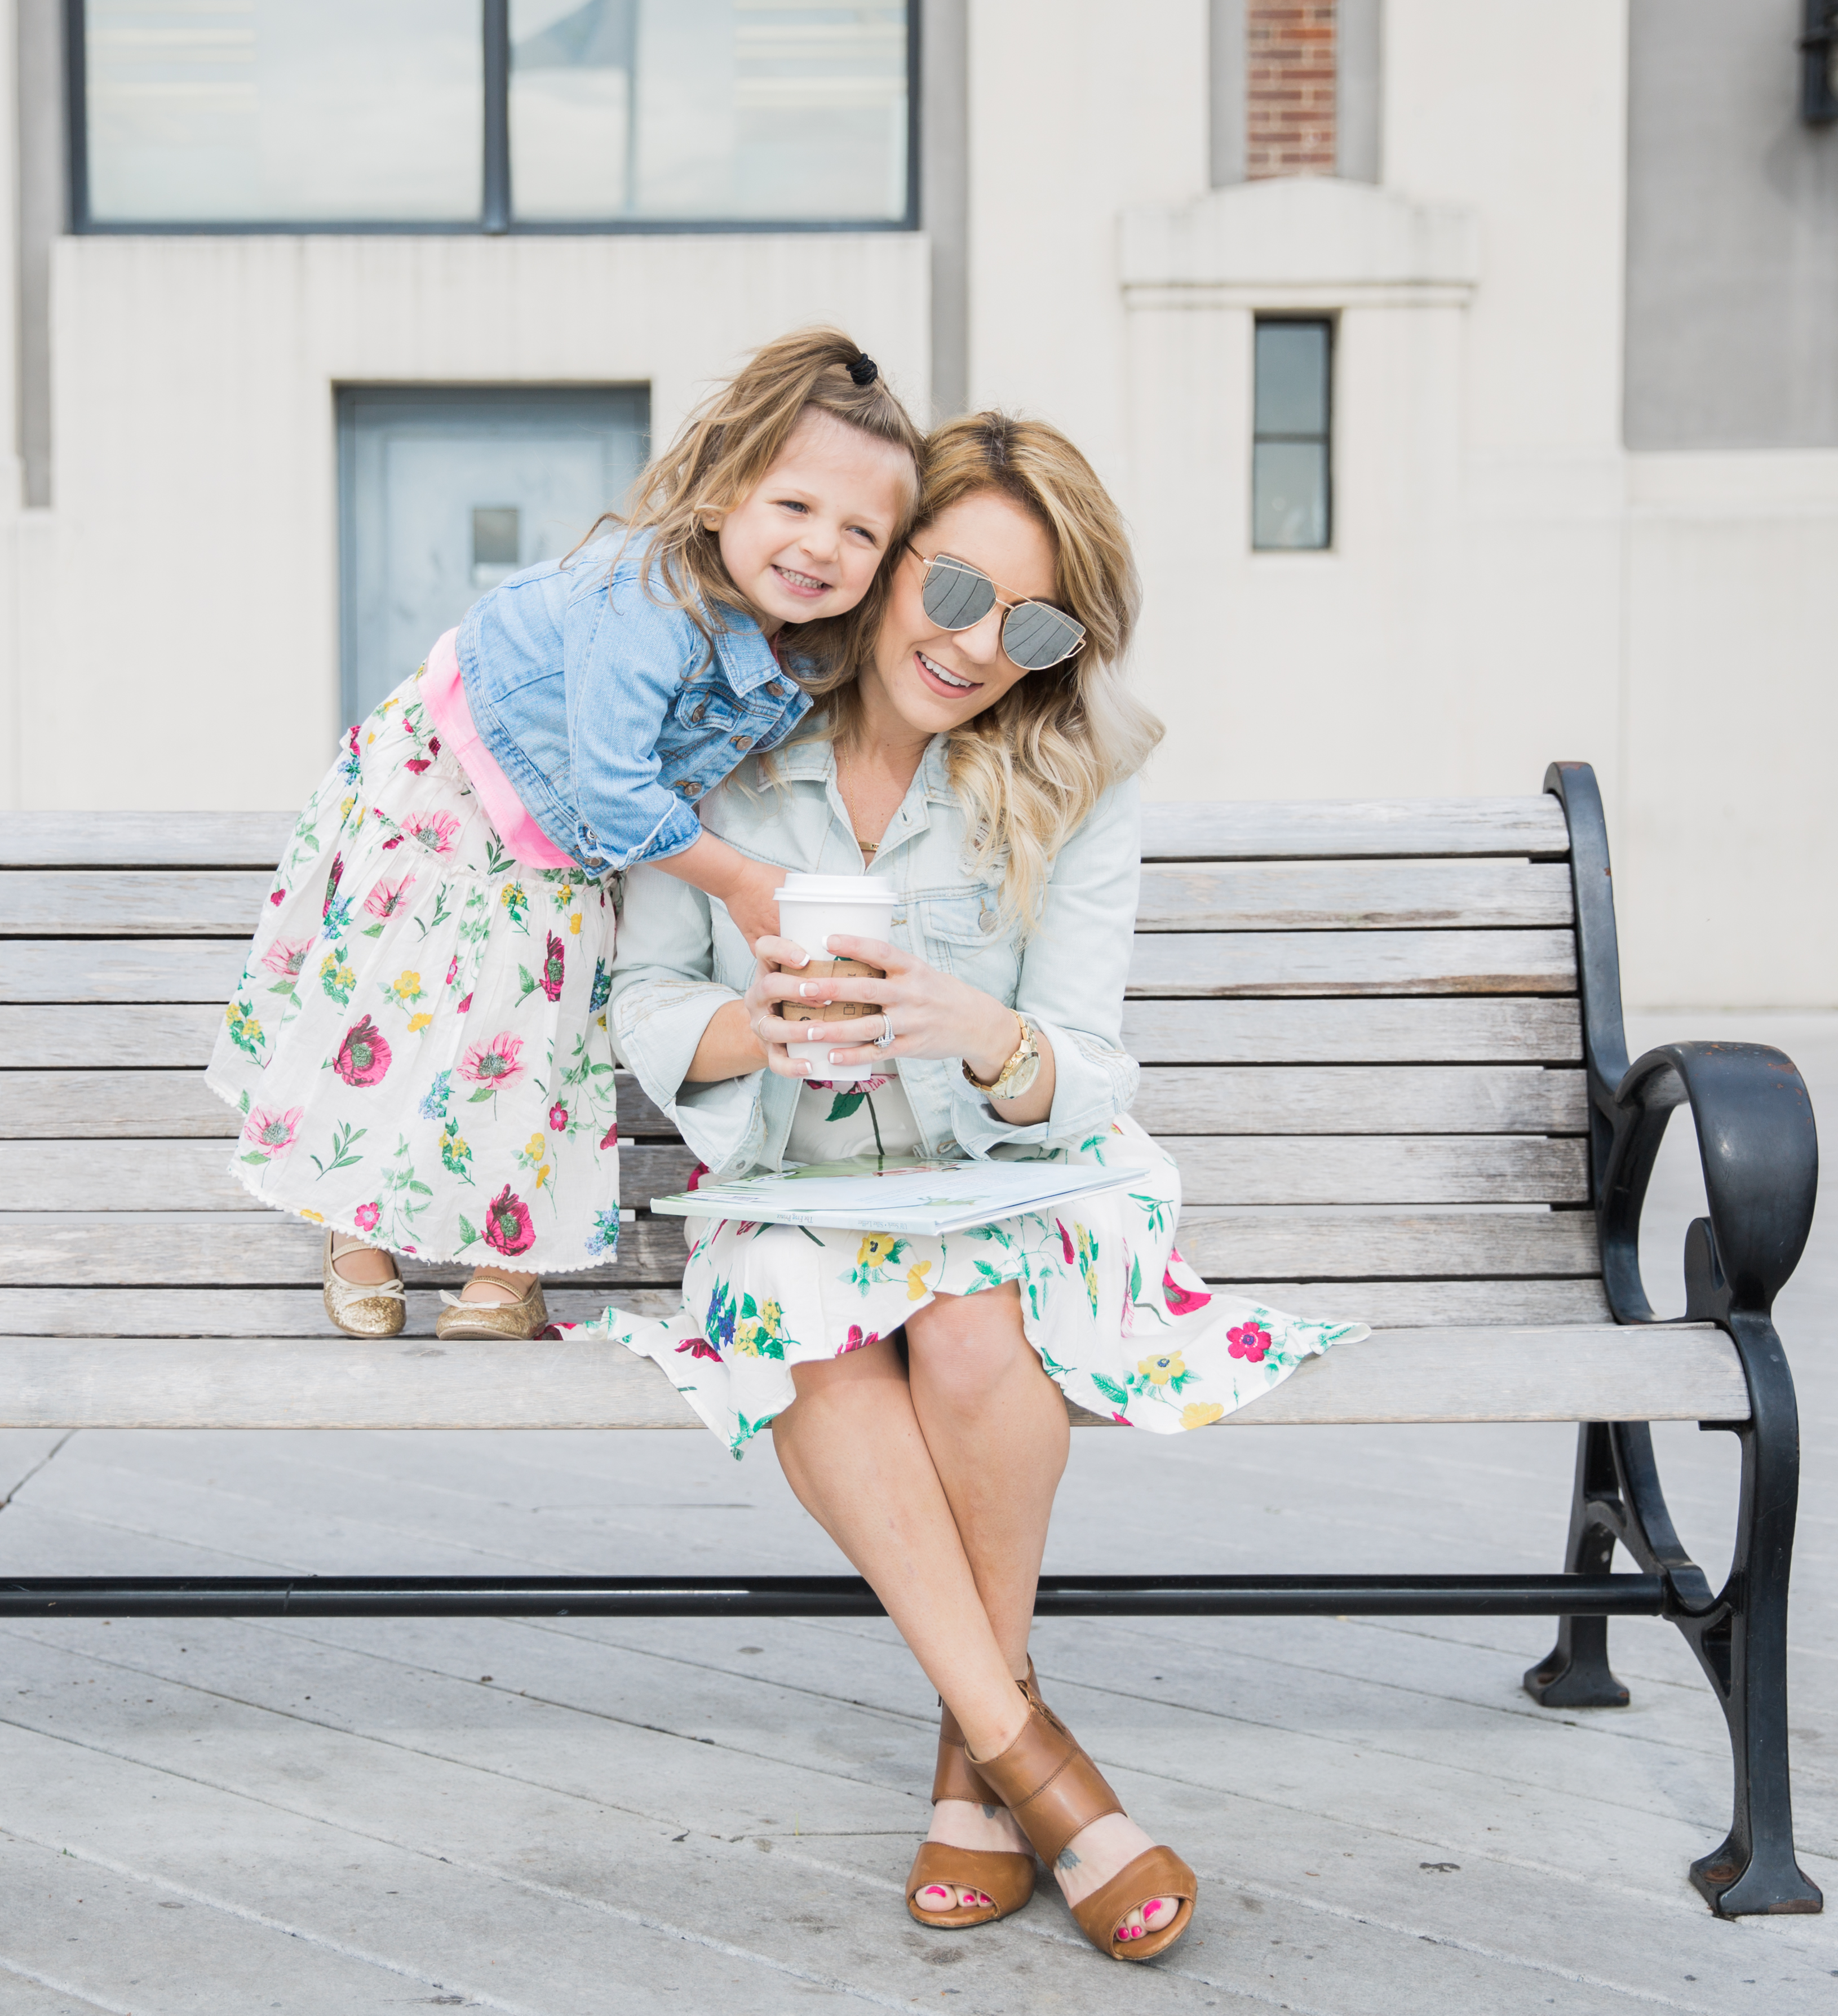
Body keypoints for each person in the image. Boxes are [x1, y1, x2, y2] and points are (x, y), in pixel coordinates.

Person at [575, 413, 1365, 1962]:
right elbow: (648, 994)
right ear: (880, 573)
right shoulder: (717, 755)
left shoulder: (1076, 778)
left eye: (1034, 620)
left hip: (1005, 1180)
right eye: (952, 591)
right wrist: (761, 1026)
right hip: (792, 1192)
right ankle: (1028, 1759)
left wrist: (988, 1035)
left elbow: (1086, 1060)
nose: (978, 644)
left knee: (971, 1323)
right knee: (806, 1311)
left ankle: (975, 1759)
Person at [205, 329, 921, 1341]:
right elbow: (619, 791)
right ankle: (348, 1225)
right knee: (390, 997)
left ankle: (507, 1261)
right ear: (723, 496)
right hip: (450, 785)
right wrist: (741, 882)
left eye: (860, 534)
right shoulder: (645, 597)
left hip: (564, 836)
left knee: (537, 1031)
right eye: (795, 506)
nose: (820, 546)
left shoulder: (798, 651)